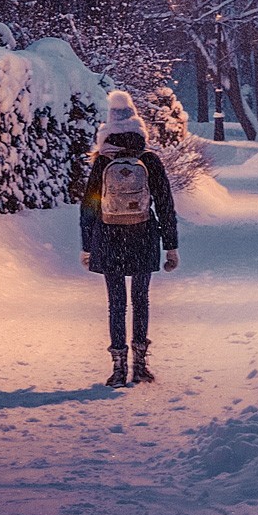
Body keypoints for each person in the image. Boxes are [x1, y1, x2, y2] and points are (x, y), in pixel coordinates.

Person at [79, 91, 179, 386]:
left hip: (108, 237)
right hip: (143, 234)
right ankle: (141, 365)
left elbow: (89, 206)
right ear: (138, 129)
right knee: (141, 300)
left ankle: (118, 367)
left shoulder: (101, 162)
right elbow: (165, 204)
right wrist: (171, 246)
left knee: (116, 303)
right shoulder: (149, 160)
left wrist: (87, 247)